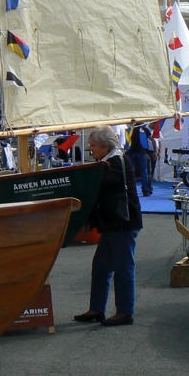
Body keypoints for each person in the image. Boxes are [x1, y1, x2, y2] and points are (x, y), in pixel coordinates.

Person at [74, 126, 143, 327]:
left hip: (122, 223)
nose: (91, 149)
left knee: (123, 267)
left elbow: (98, 187)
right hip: (115, 223)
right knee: (101, 266)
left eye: (93, 146)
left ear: (105, 146)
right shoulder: (110, 161)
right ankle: (97, 309)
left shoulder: (114, 162)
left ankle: (124, 312)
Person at [127, 123, 153, 197]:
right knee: (144, 172)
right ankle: (145, 190)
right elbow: (152, 139)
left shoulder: (130, 129)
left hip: (131, 152)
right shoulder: (144, 129)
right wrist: (155, 150)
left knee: (131, 171)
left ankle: (130, 189)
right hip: (141, 152)